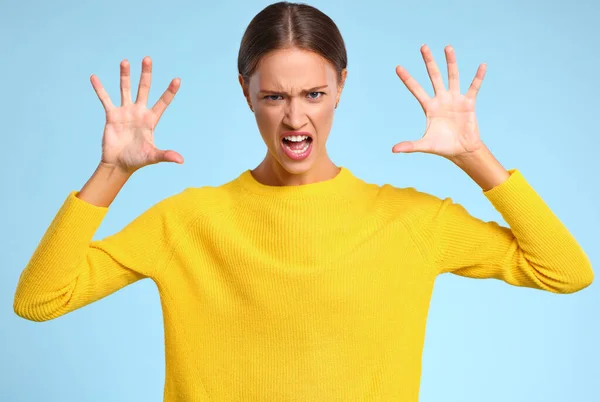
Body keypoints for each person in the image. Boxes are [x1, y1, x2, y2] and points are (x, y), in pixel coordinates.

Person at [13, 2, 593, 401]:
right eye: (274, 96)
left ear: (341, 85)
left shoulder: (411, 221)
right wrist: (112, 172)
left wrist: (475, 157)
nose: (295, 117)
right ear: (246, 93)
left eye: (314, 93)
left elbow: (566, 271)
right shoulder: (187, 222)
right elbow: (40, 299)